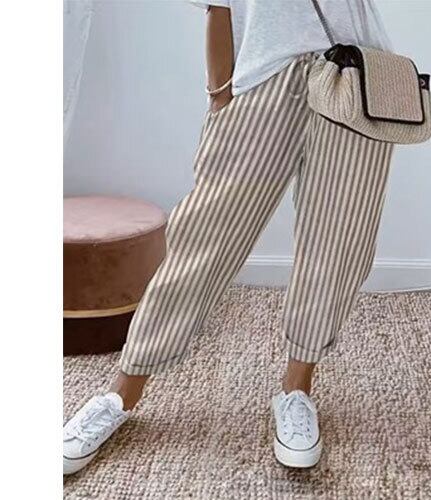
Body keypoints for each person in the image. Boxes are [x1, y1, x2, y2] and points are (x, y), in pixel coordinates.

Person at [63, 0, 393, 474]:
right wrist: (220, 92)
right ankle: (120, 394)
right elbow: (218, 6)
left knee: (338, 244)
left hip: (355, 75)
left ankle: (297, 389)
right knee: (202, 239)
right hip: (264, 78)